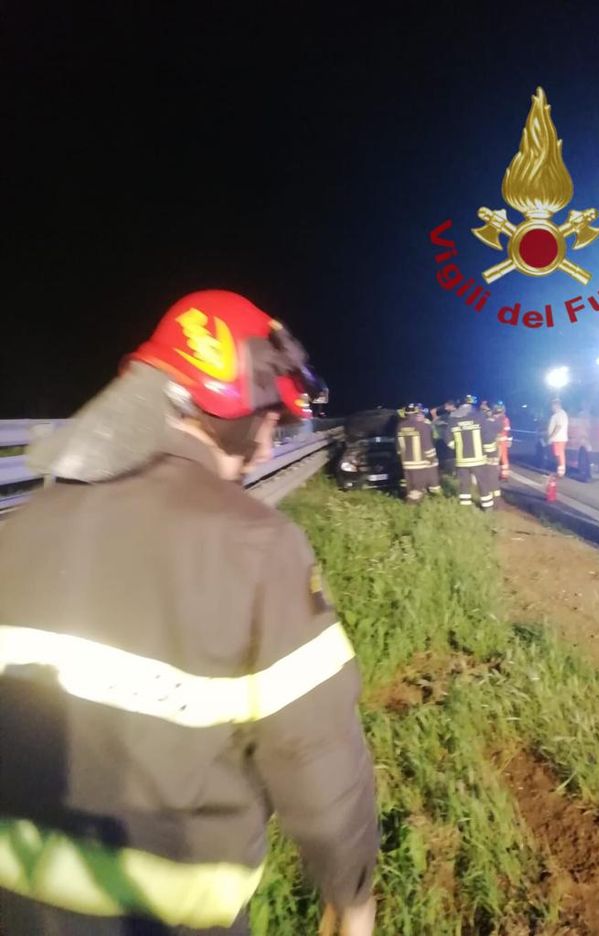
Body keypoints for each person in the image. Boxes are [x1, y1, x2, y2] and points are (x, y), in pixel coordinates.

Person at [0, 290, 378, 936]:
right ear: (234, 410)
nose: (266, 448)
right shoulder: (259, 548)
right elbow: (314, 751)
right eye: (270, 423)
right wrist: (352, 897)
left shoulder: (21, 526)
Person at [445, 394, 497, 510]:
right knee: (483, 482)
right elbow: (487, 436)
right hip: (478, 459)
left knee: (464, 483)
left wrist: (457, 448)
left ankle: (465, 507)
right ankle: (487, 507)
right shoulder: (479, 416)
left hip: (461, 459)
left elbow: (447, 438)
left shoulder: (453, 418)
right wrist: (491, 453)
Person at [396, 403, 441, 502]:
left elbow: (399, 447)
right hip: (420, 463)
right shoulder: (422, 426)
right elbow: (427, 444)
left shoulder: (400, 426)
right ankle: (411, 505)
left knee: (410, 485)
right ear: (416, 413)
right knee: (418, 486)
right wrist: (431, 458)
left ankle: (414, 503)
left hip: (406, 463)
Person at [547, 399, 569, 478]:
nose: (551, 408)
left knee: (560, 455)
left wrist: (551, 436)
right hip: (556, 439)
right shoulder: (556, 414)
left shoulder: (561, 414)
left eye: (552, 406)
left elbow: (558, 426)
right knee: (557, 454)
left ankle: (561, 472)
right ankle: (559, 471)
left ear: (557, 405)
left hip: (559, 438)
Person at [493, 401, 512, 481]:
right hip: (503, 440)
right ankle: (504, 475)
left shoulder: (494, 418)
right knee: (504, 458)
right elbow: (508, 431)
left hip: (496, 441)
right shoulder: (505, 419)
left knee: (496, 458)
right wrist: (510, 440)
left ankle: (494, 474)